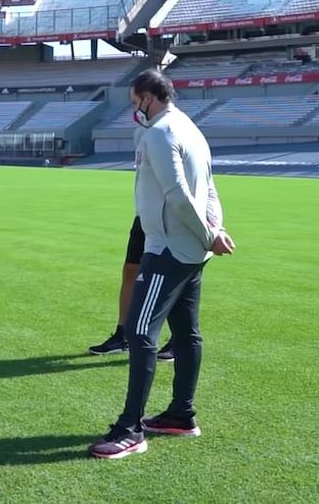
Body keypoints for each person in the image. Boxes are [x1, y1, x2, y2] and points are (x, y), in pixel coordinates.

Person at [89, 69, 235, 460]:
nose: (133, 110)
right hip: (190, 250)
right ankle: (181, 415)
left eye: (135, 102)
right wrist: (214, 230)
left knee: (139, 330)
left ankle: (130, 429)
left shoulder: (160, 132)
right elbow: (211, 189)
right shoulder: (191, 129)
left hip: (168, 248)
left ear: (148, 98)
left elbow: (178, 194)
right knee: (186, 334)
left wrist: (208, 234)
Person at [89, 216, 173, 361]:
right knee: (131, 269)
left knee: (173, 274)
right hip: (145, 216)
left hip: (172, 219)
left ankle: (178, 340)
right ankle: (123, 336)